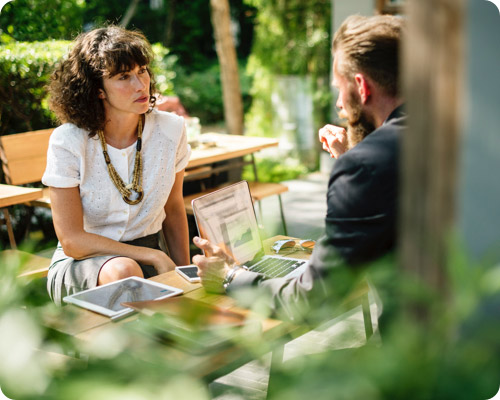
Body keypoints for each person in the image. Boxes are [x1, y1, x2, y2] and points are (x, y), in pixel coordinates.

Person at [192, 14, 406, 320]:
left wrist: (229, 277)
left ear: (361, 86)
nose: (339, 106)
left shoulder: (363, 167)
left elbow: (312, 300)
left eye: (339, 89)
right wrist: (355, 155)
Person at [43, 26, 191, 305]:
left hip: (153, 255)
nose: (140, 84)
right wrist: (154, 256)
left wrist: (184, 274)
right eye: (124, 77)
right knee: (125, 271)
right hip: (85, 263)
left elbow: (173, 208)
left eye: (142, 71)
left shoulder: (171, 130)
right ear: (97, 90)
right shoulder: (68, 141)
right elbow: (72, 240)